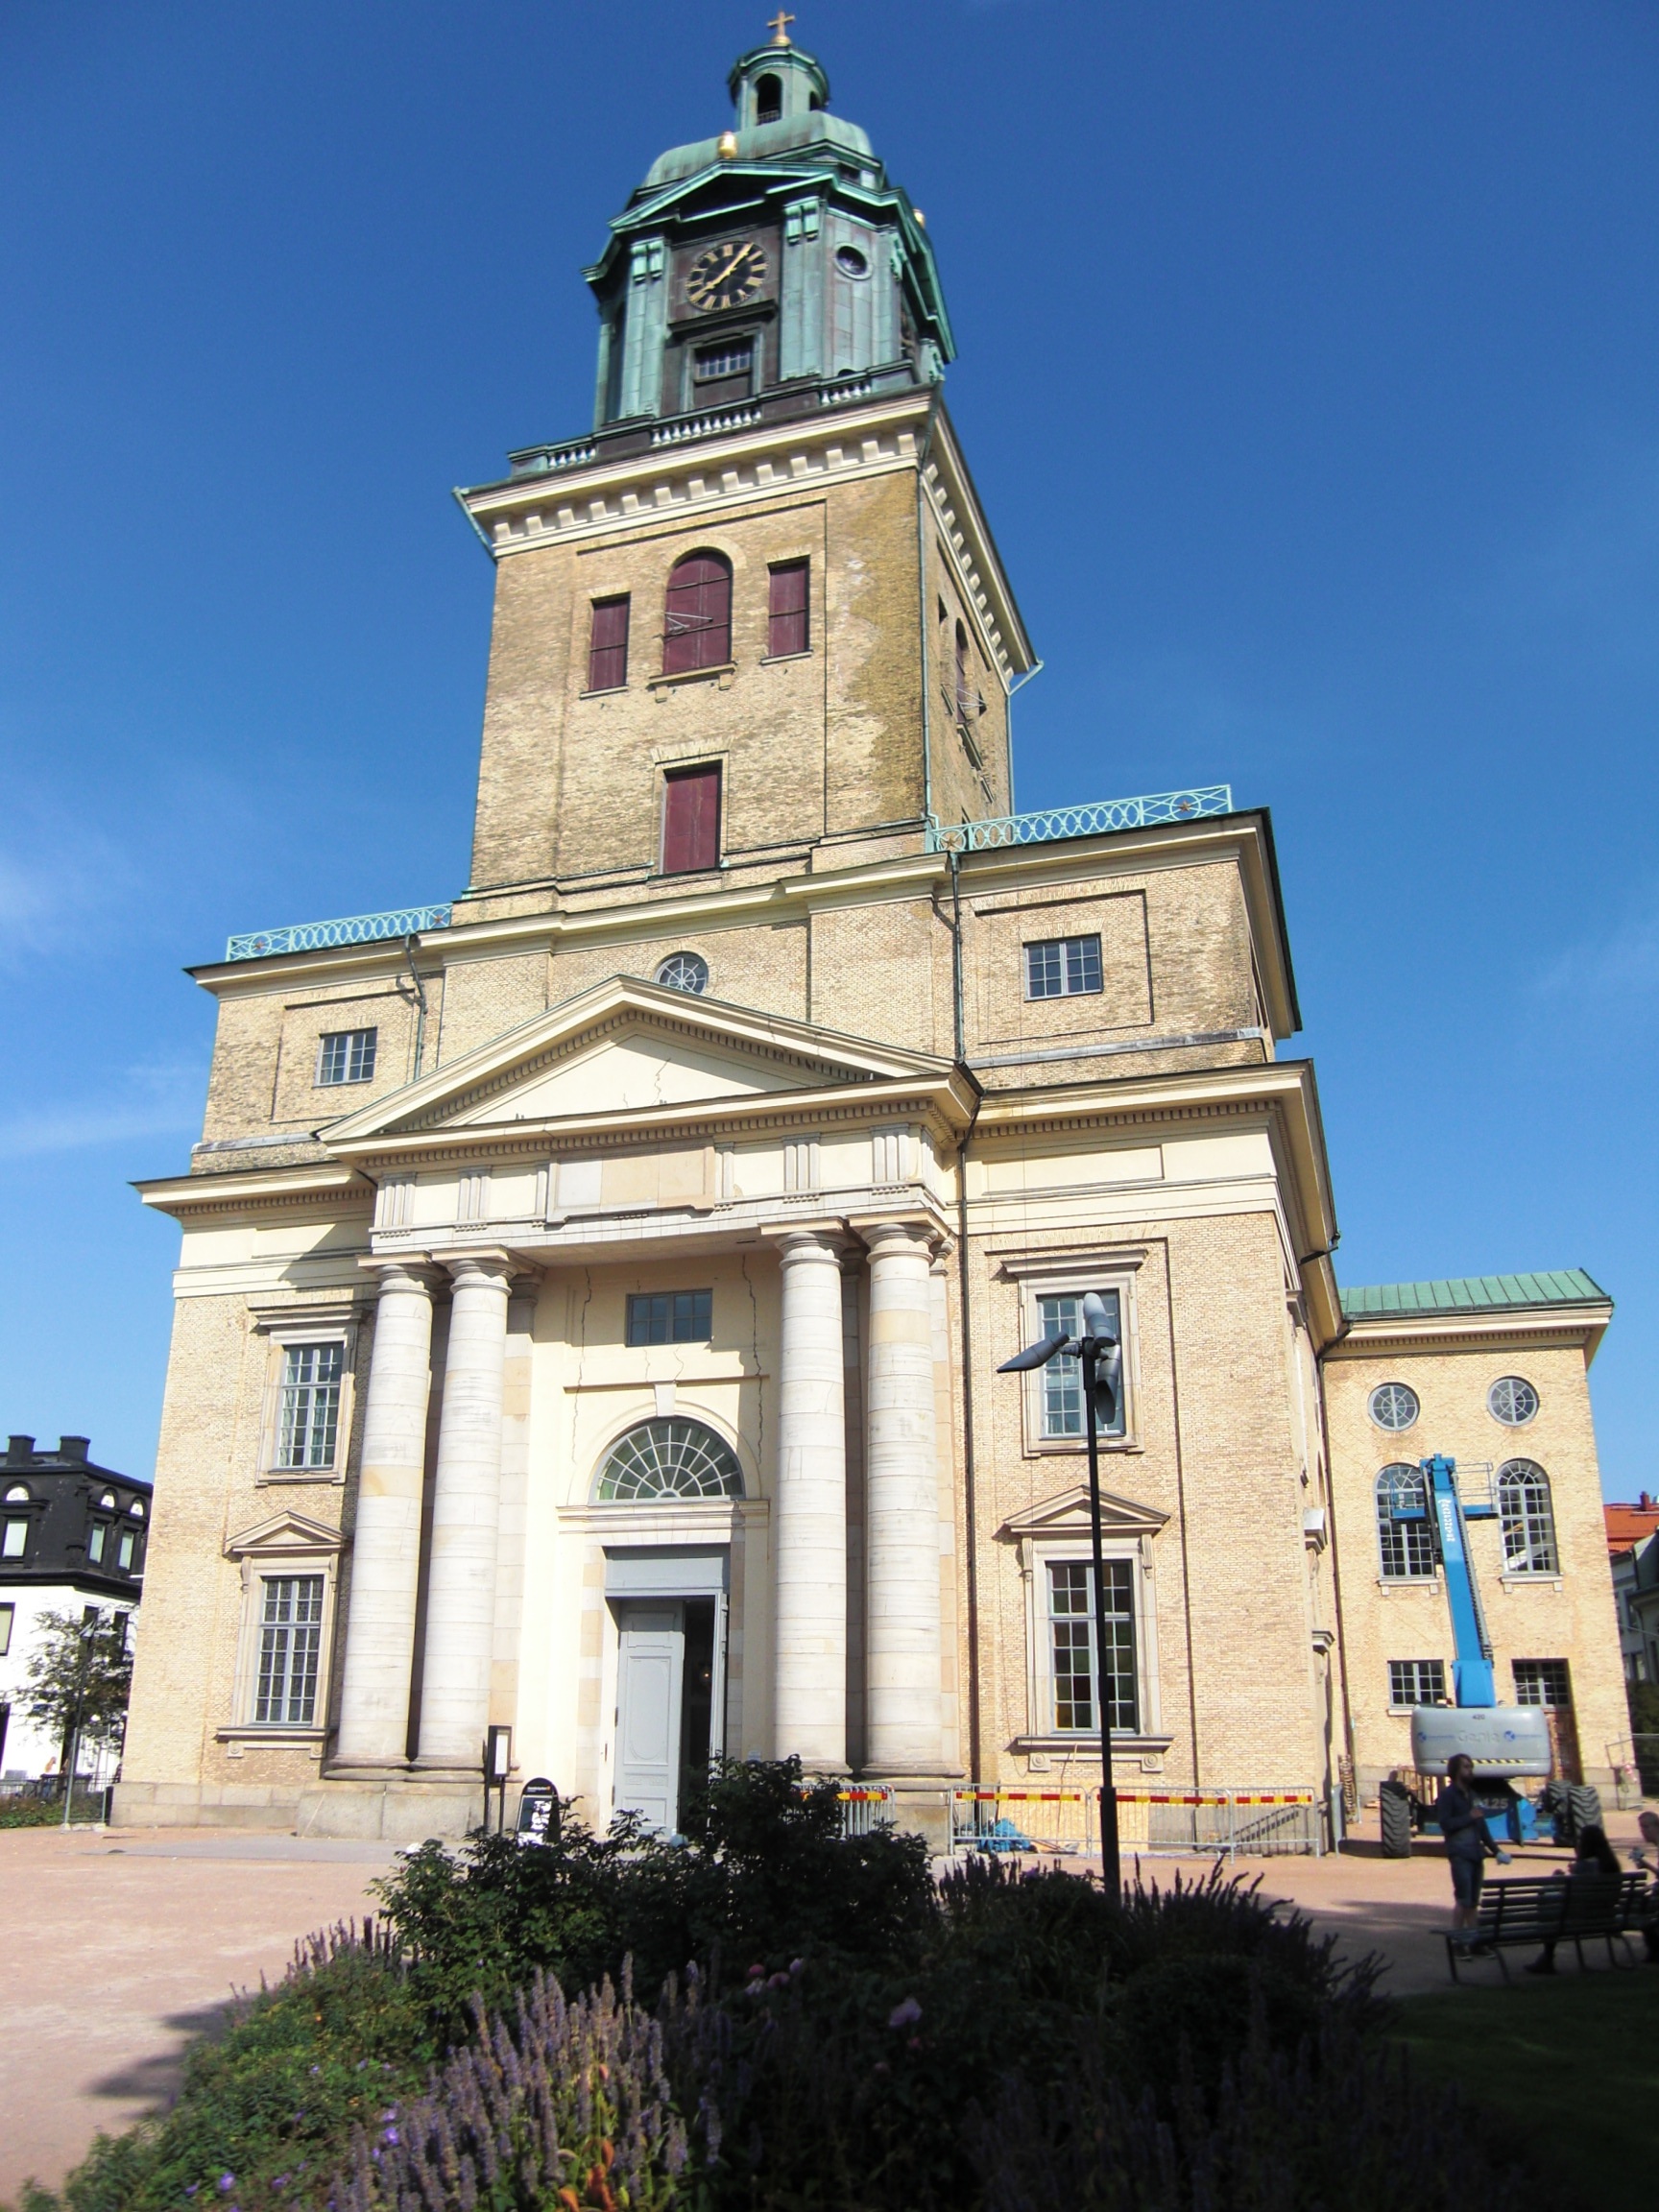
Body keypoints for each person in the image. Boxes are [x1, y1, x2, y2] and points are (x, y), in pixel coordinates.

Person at [1525, 1823, 1622, 1975]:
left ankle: (1547, 1957)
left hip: (1579, 1919)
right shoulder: (1612, 1864)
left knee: (1547, 1902)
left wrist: (1558, 1880)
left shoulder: (1583, 1867)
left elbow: (1573, 1896)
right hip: (1606, 1917)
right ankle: (1546, 1959)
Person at [1431, 1753, 1500, 1944]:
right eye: (1466, 1767)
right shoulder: (1447, 1796)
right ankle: (1459, 1942)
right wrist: (1468, 1817)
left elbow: (1482, 1826)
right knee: (1463, 1899)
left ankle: (1474, 1941)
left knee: (1473, 1901)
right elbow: (1446, 1824)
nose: (1470, 1770)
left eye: (1471, 1767)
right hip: (1460, 1854)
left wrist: (1496, 1850)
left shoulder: (1473, 1795)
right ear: (1455, 1771)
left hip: (1477, 1854)